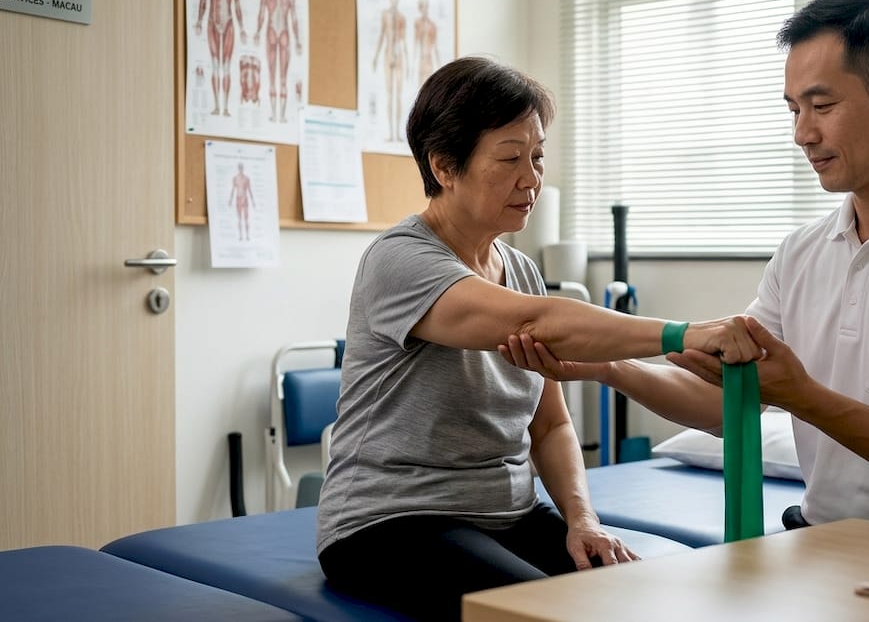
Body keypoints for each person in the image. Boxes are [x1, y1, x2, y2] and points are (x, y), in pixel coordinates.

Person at [503, 0, 869, 541]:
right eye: (794, 109)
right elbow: (726, 403)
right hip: (821, 546)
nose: (802, 134)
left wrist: (801, 395)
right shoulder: (803, 252)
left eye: (823, 106)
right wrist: (605, 368)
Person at [315, 55, 760, 621]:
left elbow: (549, 423)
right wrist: (681, 334)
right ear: (444, 166)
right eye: (509, 159)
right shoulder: (400, 260)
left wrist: (582, 519)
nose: (532, 179)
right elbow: (539, 321)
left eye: (538, 157)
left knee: (643, 601)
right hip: (392, 521)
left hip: (509, 514)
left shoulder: (519, 270)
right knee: (551, 615)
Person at [195, 0, 247, 117]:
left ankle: (225, 108)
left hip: (229, 23)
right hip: (212, 21)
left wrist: (242, 28)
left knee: (226, 66)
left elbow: (238, 5)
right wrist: (199, 21)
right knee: (215, 65)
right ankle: (217, 106)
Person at [254, 0, 303, 123]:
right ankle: (276, 115)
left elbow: (294, 18)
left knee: (281, 77)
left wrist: (297, 40)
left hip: (281, 33)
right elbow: (262, 11)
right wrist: (258, 31)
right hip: (274, 32)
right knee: (273, 76)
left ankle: (280, 115)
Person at [371, 0, 408, 141]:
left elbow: (404, 40)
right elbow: (381, 35)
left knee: (398, 95)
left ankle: (397, 134)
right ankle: (390, 133)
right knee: (389, 95)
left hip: (398, 55)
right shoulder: (385, 15)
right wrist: (376, 56)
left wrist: (407, 61)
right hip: (387, 55)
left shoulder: (401, 17)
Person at [414, 0, 441, 85]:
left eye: (426, 5)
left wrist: (440, 67)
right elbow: (415, 44)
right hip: (421, 61)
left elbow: (435, 48)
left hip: (429, 62)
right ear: (420, 7)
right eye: (422, 6)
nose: (424, 8)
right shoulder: (417, 23)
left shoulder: (432, 25)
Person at [228, 162, 254, 241]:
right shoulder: (235, 178)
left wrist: (253, 201)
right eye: (239, 168)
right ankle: (240, 236)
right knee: (239, 218)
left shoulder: (246, 178)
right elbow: (233, 189)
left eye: (241, 167)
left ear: (243, 168)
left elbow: (249, 190)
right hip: (238, 198)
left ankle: (247, 236)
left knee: (246, 218)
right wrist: (230, 200)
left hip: (245, 198)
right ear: (238, 168)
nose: (240, 169)